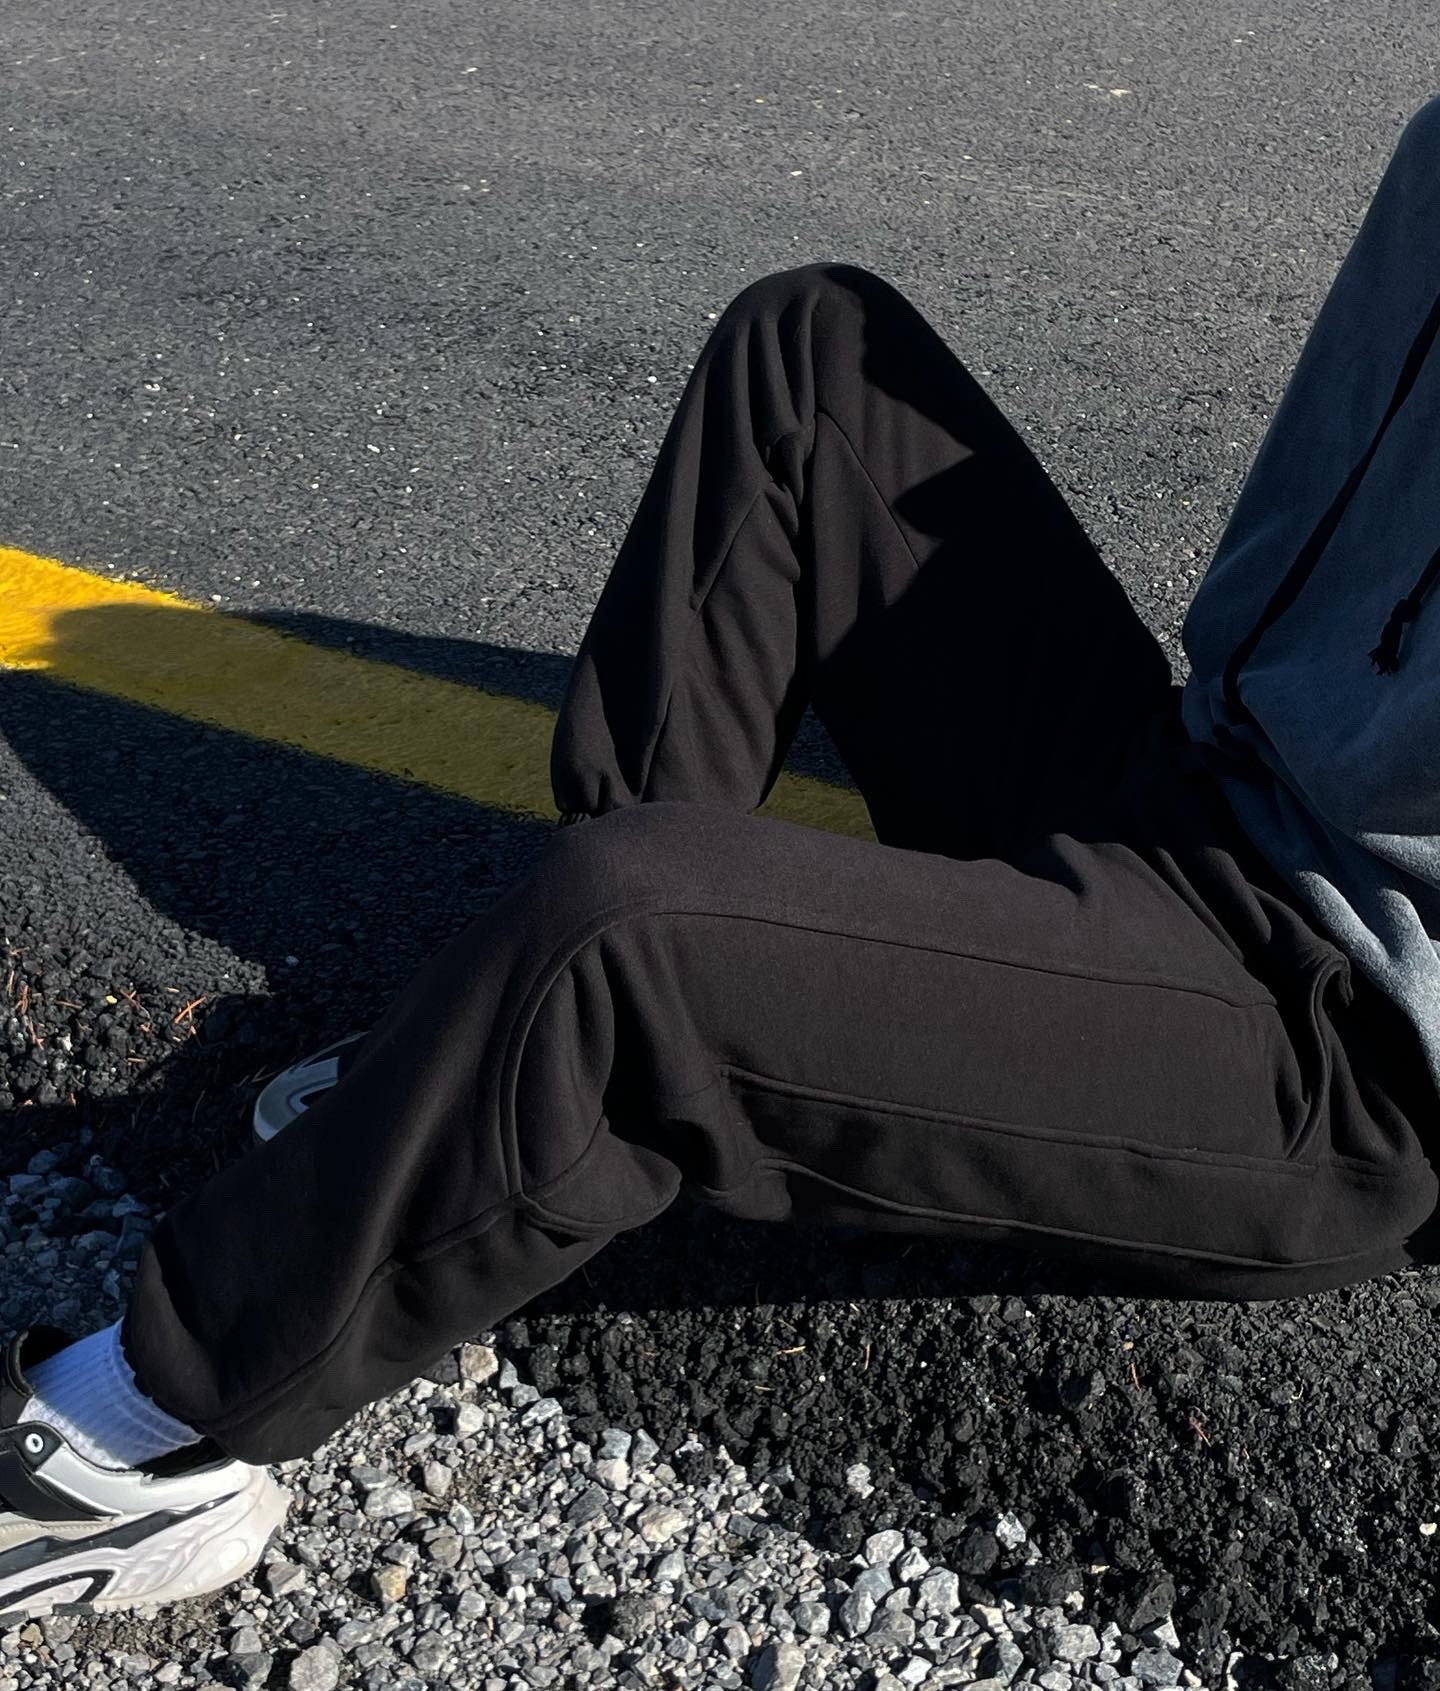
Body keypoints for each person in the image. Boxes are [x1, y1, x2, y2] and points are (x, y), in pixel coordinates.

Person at [5, 93, 1440, 1628]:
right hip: (1203, 778)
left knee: (622, 943)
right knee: (812, 353)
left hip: (1325, 1042)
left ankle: (131, 1452)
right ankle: (535, 1082)